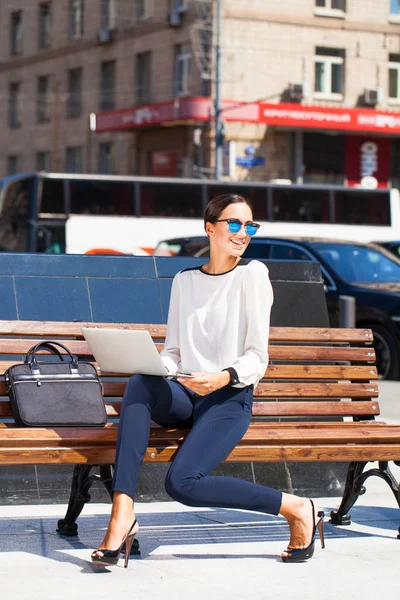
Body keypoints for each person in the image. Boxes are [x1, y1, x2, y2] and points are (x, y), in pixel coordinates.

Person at [91, 193, 325, 567]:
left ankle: (296, 508)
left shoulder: (252, 275)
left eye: (249, 225)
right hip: (186, 393)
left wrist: (222, 377)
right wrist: (156, 365)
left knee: (181, 483)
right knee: (139, 383)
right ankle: (122, 514)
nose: (243, 232)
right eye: (234, 223)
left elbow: (256, 356)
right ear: (210, 228)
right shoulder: (185, 281)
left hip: (229, 399)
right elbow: (175, 351)